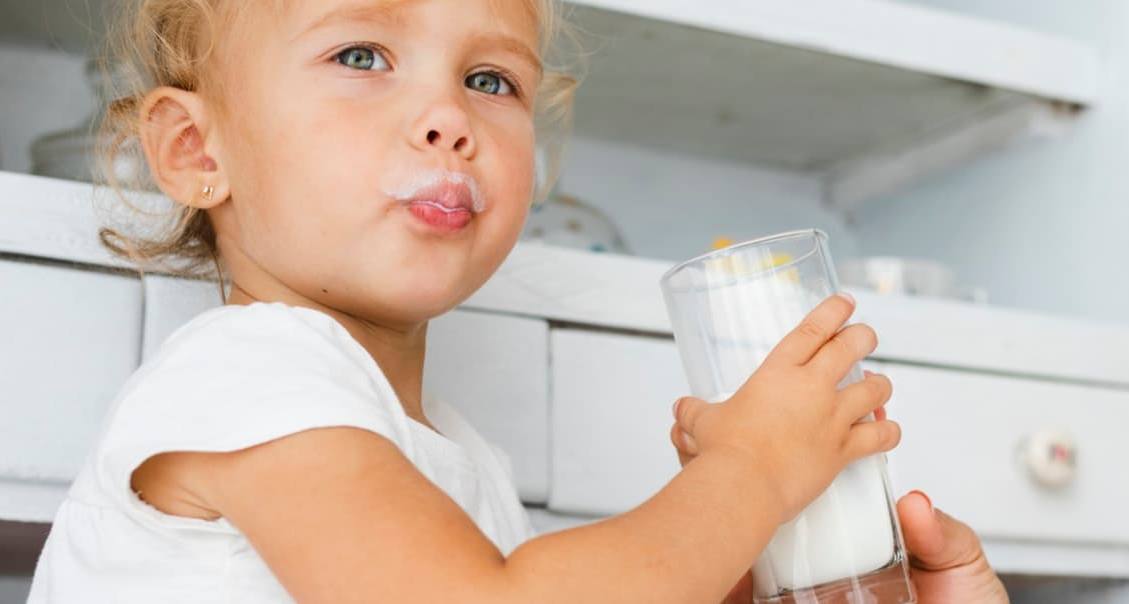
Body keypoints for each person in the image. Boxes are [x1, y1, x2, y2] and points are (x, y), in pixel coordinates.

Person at [27, 0, 1007, 601]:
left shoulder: (457, 459)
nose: (448, 117)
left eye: (489, 79)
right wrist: (749, 472)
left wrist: (730, 562)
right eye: (361, 55)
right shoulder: (244, 374)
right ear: (195, 150)